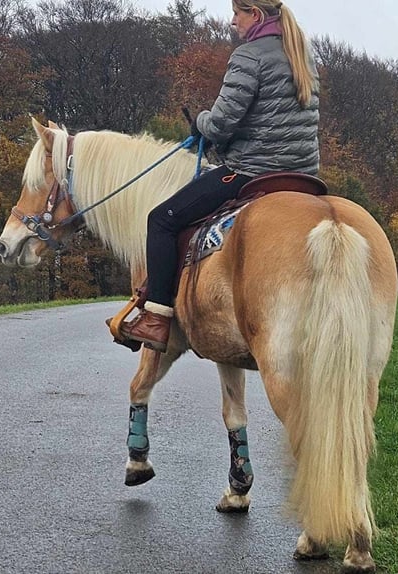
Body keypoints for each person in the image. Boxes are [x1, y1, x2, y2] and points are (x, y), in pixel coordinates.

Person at [118, 0, 320, 353]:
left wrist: (200, 122)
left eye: (237, 14)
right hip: (304, 175)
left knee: (162, 220)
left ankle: (156, 318)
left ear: (254, 15)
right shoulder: (302, 54)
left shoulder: (248, 56)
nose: (232, 21)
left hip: (252, 172)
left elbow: (223, 123)